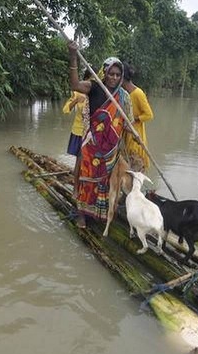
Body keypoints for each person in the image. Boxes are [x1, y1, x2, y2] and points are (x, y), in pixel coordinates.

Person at [67, 41, 134, 228]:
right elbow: (74, 83)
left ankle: (97, 213)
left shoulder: (124, 97)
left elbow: (127, 123)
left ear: (121, 77)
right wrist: (73, 56)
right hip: (92, 145)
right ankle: (81, 213)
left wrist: (134, 134)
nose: (114, 77)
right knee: (87, 179)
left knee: (103, 182)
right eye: (111, 73)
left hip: (111, 149)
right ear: (104, 72)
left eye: (117, 75)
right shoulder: (94, 87)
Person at [121, 62, 154, 172]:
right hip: (125, 134)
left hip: (135, 136)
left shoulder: (138, 93)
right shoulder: (123, 94)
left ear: (122, 78)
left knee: (135, 168)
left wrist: (133, 120)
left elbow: (148, 114)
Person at [62, 68, 92, 189]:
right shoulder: (78, 93)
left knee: (89, 162)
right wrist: (75, 101)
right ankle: (76, 187)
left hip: (92, 133)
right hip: (79, 131)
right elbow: (65, 110)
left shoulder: (98, 93)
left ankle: (85, 186)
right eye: (91, 80)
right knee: (80, 160)